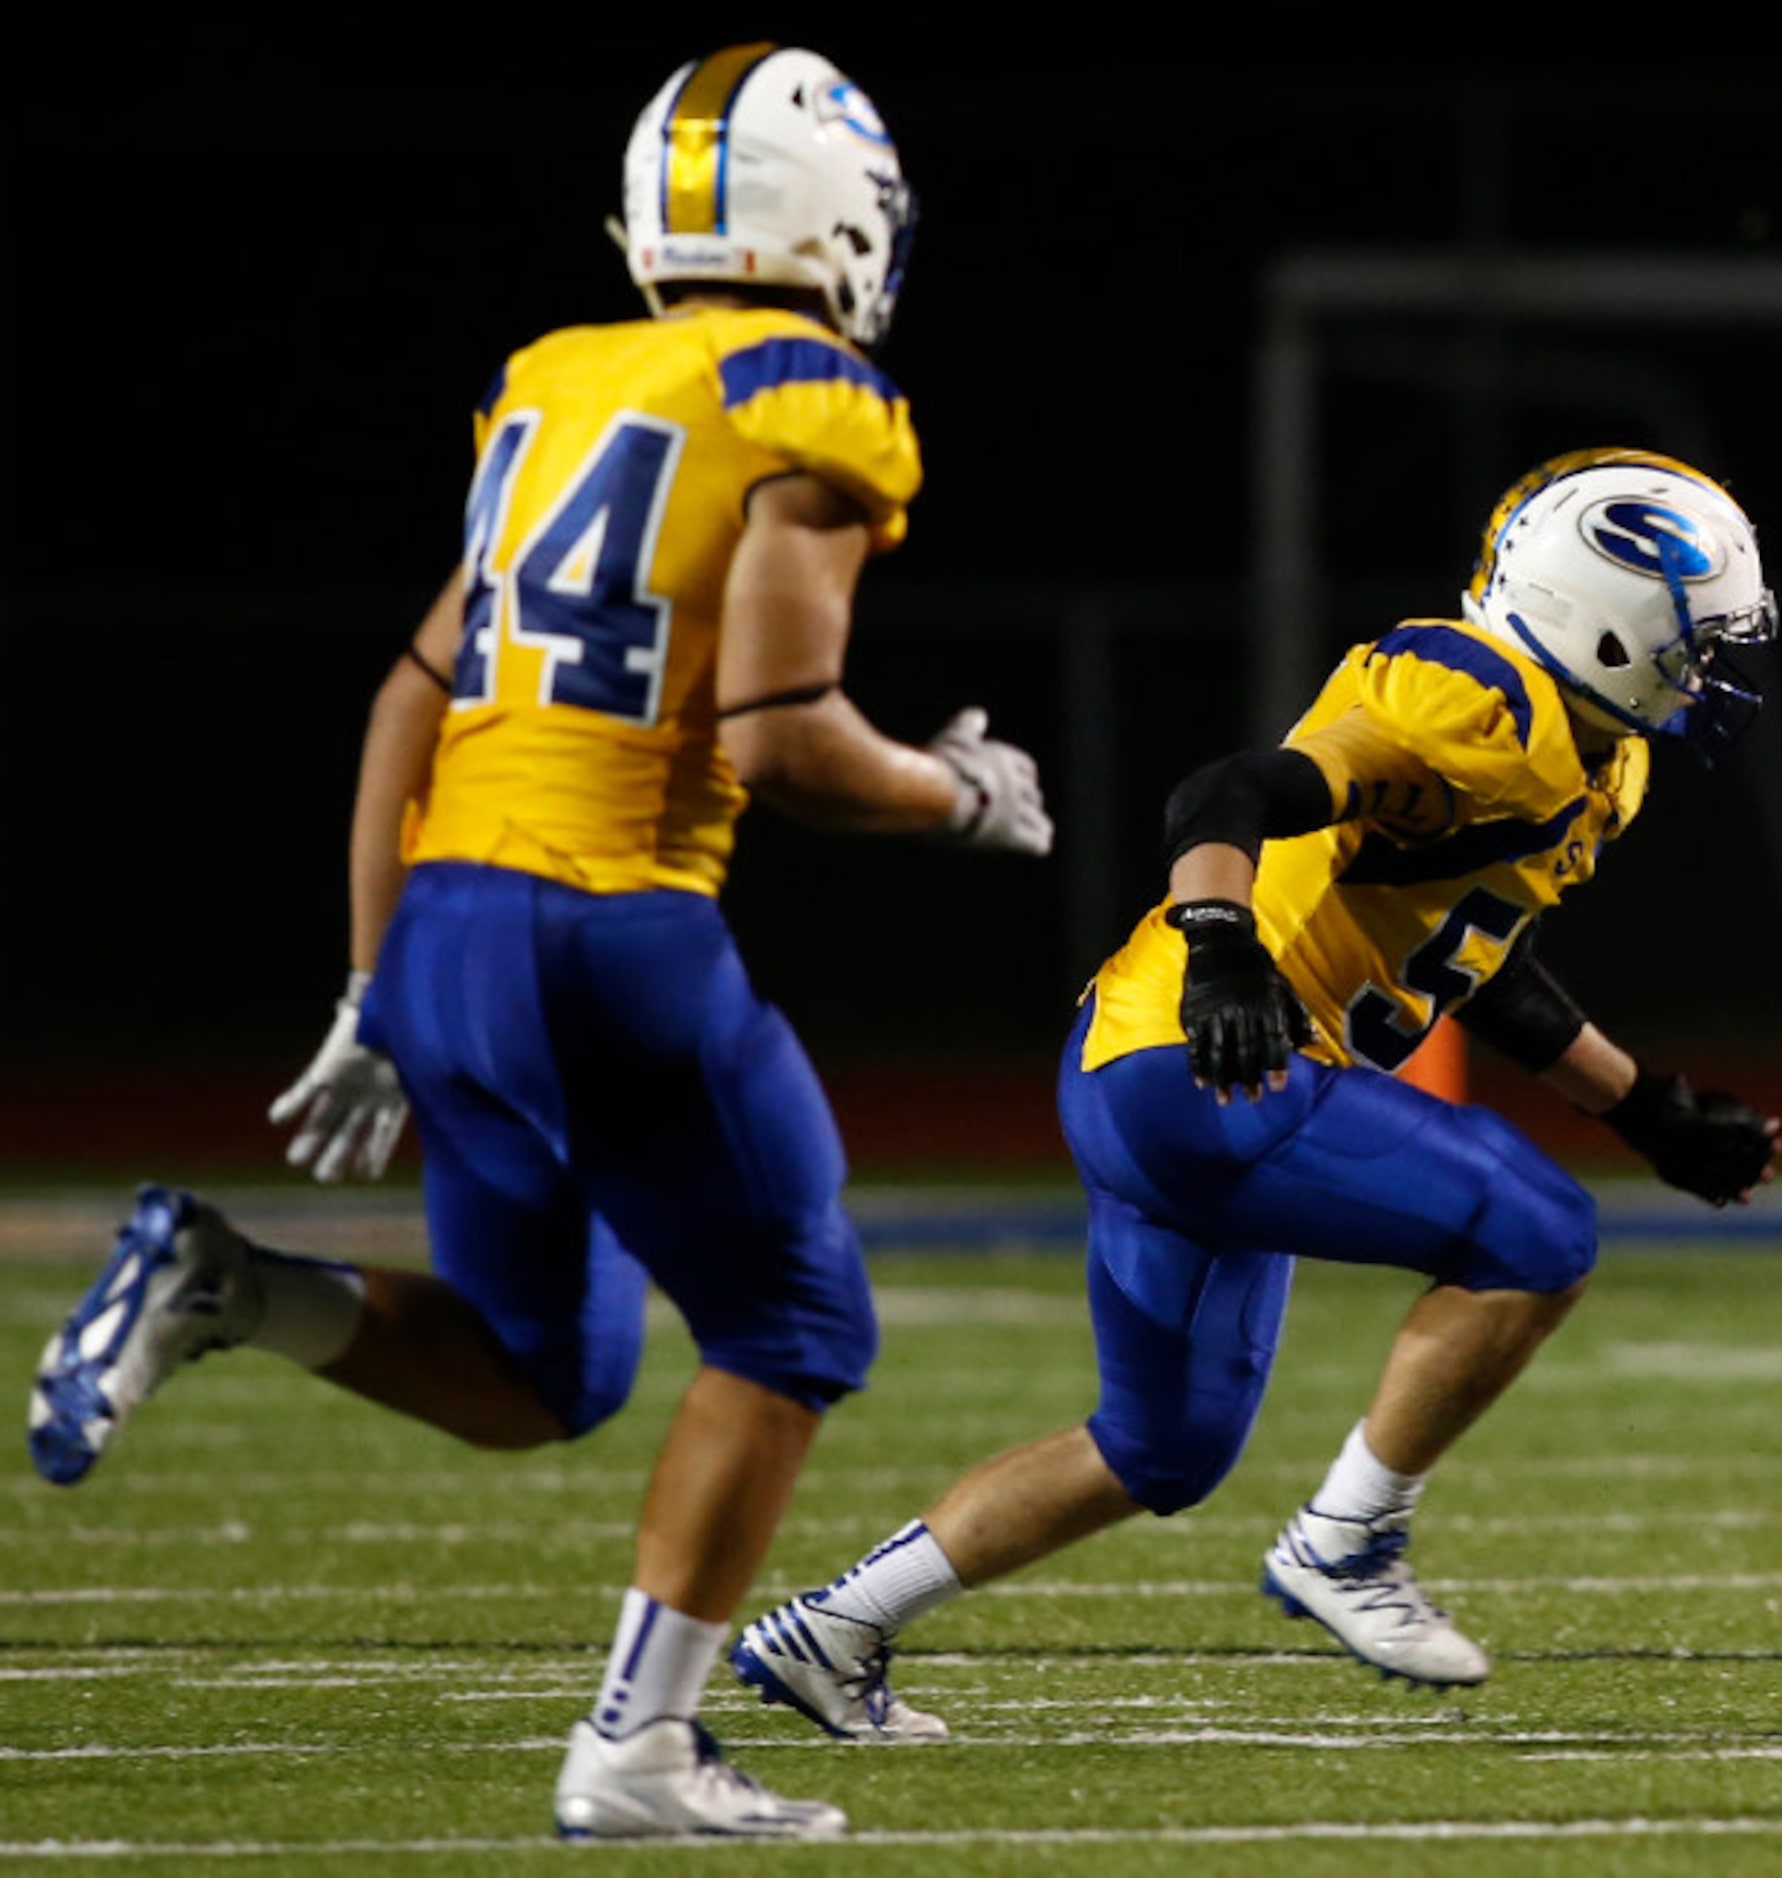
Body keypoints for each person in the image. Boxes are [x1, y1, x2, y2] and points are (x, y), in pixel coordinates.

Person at [25, 42, 1052, 1839]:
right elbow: (781, 736)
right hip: (608, 931)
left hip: (446, 926)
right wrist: (956, 791)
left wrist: (370, 982)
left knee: (539, 1375)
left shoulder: (556, 383)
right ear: (839, 224)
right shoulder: (812, 398)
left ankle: (230, 1282)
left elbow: (405, 701)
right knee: (797, 1323)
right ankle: (638, 1746)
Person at [726, 447, 1782, 1742]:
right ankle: (1347, 1543)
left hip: (1178, 1075)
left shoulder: (1599, 758)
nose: (1715, 666)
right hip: (1205, 1060)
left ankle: (833, 1630)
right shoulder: (1472, 692)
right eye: (1696, 636)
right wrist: (1223, 940)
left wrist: (1642, 1105)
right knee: (1538, 1233)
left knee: (1158, 1451)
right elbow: (1225, 791)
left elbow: (1475, 956)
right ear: (1604, 622)